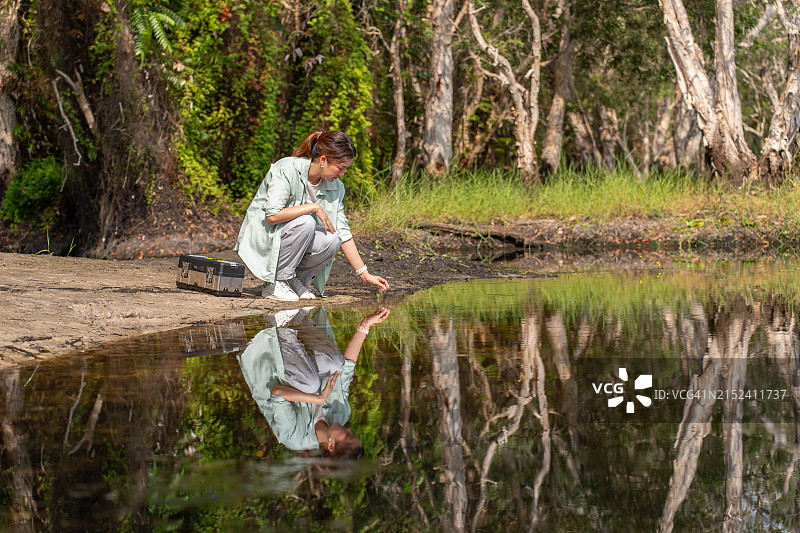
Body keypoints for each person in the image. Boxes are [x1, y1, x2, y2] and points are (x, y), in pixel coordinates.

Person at [235, 131, 390, 301]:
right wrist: (313, 207)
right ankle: (275, 283)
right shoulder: (287, 168)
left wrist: (365, 274)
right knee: (306, 221)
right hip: (266, 237)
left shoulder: (336, 187)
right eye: (341, 168)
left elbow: (343, 232)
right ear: (323, 160)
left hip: (294, 238)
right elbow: (273, 216)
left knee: (333, 238)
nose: (342, 174)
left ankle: (293, 280)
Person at [237, 306, 391, 457]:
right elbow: (346, 369)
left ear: (331, 445)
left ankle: (281, 325)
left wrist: (318, 398)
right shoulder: (342, 415)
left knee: (311, 386)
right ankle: (299, 319)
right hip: (298, 360)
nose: (349, 430)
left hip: (273, 363)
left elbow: (277, 393)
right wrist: (365, 326)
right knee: (335, 365)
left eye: (348, 437)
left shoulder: (295, 439)